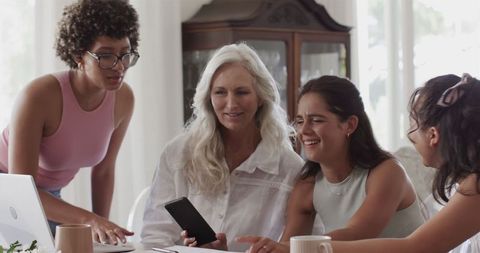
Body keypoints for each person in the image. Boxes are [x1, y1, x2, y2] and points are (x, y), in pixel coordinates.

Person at [140, 43, 304, 252]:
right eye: (220, 92)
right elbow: (154, 238)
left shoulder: (289, 168)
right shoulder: (178, 153)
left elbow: (304, 243)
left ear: (261, 97)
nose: (231, 104)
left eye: (242, 92)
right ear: (208, 97)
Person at [0, 0, 139, 245]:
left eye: (125, 54)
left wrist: (101, 233)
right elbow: (23, 193)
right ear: (78, 56)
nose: (119, 66)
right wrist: (92, 220)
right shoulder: (38, 96)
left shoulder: (123, 99)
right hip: (8, 192)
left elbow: (104, 172)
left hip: (48, 197)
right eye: (106, 56)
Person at [238, 76, 425, 252]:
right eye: (300, 121)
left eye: (316, 120)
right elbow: (289, 246)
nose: (303, 130)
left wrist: (290, 248)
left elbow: (358, 234)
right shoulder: (307, 185)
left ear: (350, 125)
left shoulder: (387, 172)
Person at [315, 73, 480, 253]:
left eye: (413, 124)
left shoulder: (475, 187)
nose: (409, 135)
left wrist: (311, 248)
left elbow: (414, 248)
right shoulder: (467, 183)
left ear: (433, 135)